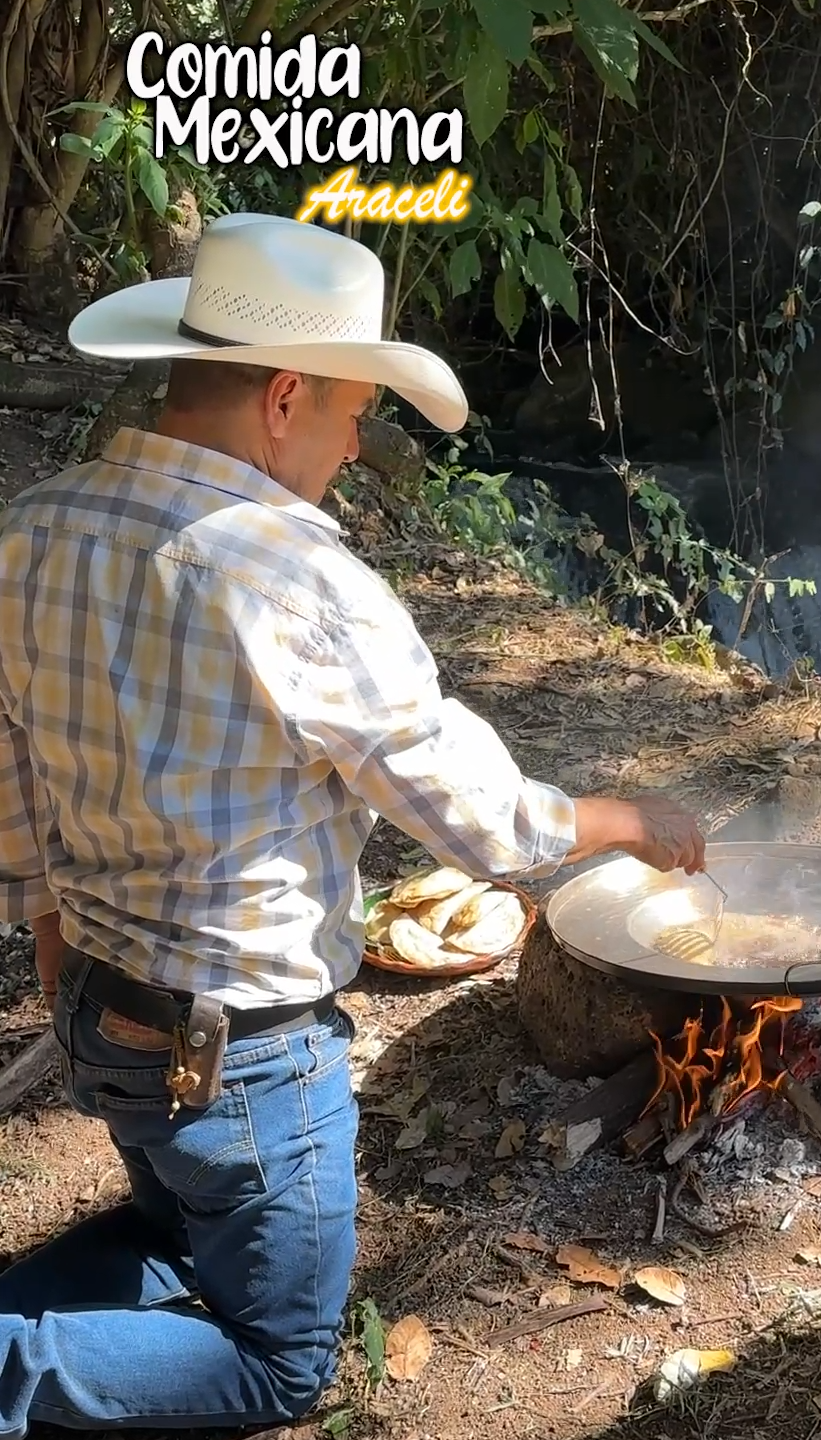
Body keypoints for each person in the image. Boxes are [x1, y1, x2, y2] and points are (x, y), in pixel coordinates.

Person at [0, 213, 705, 1437]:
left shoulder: (33, 527)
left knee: (180, 1226)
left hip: (102, 1012)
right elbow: (475, 816)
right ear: (283, 397)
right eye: (348, 410)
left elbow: (11, 760)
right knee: (281, 1363)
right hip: (243, 1054)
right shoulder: (301, 581)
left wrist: (49, 926)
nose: (356, 440)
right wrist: (619, 816)